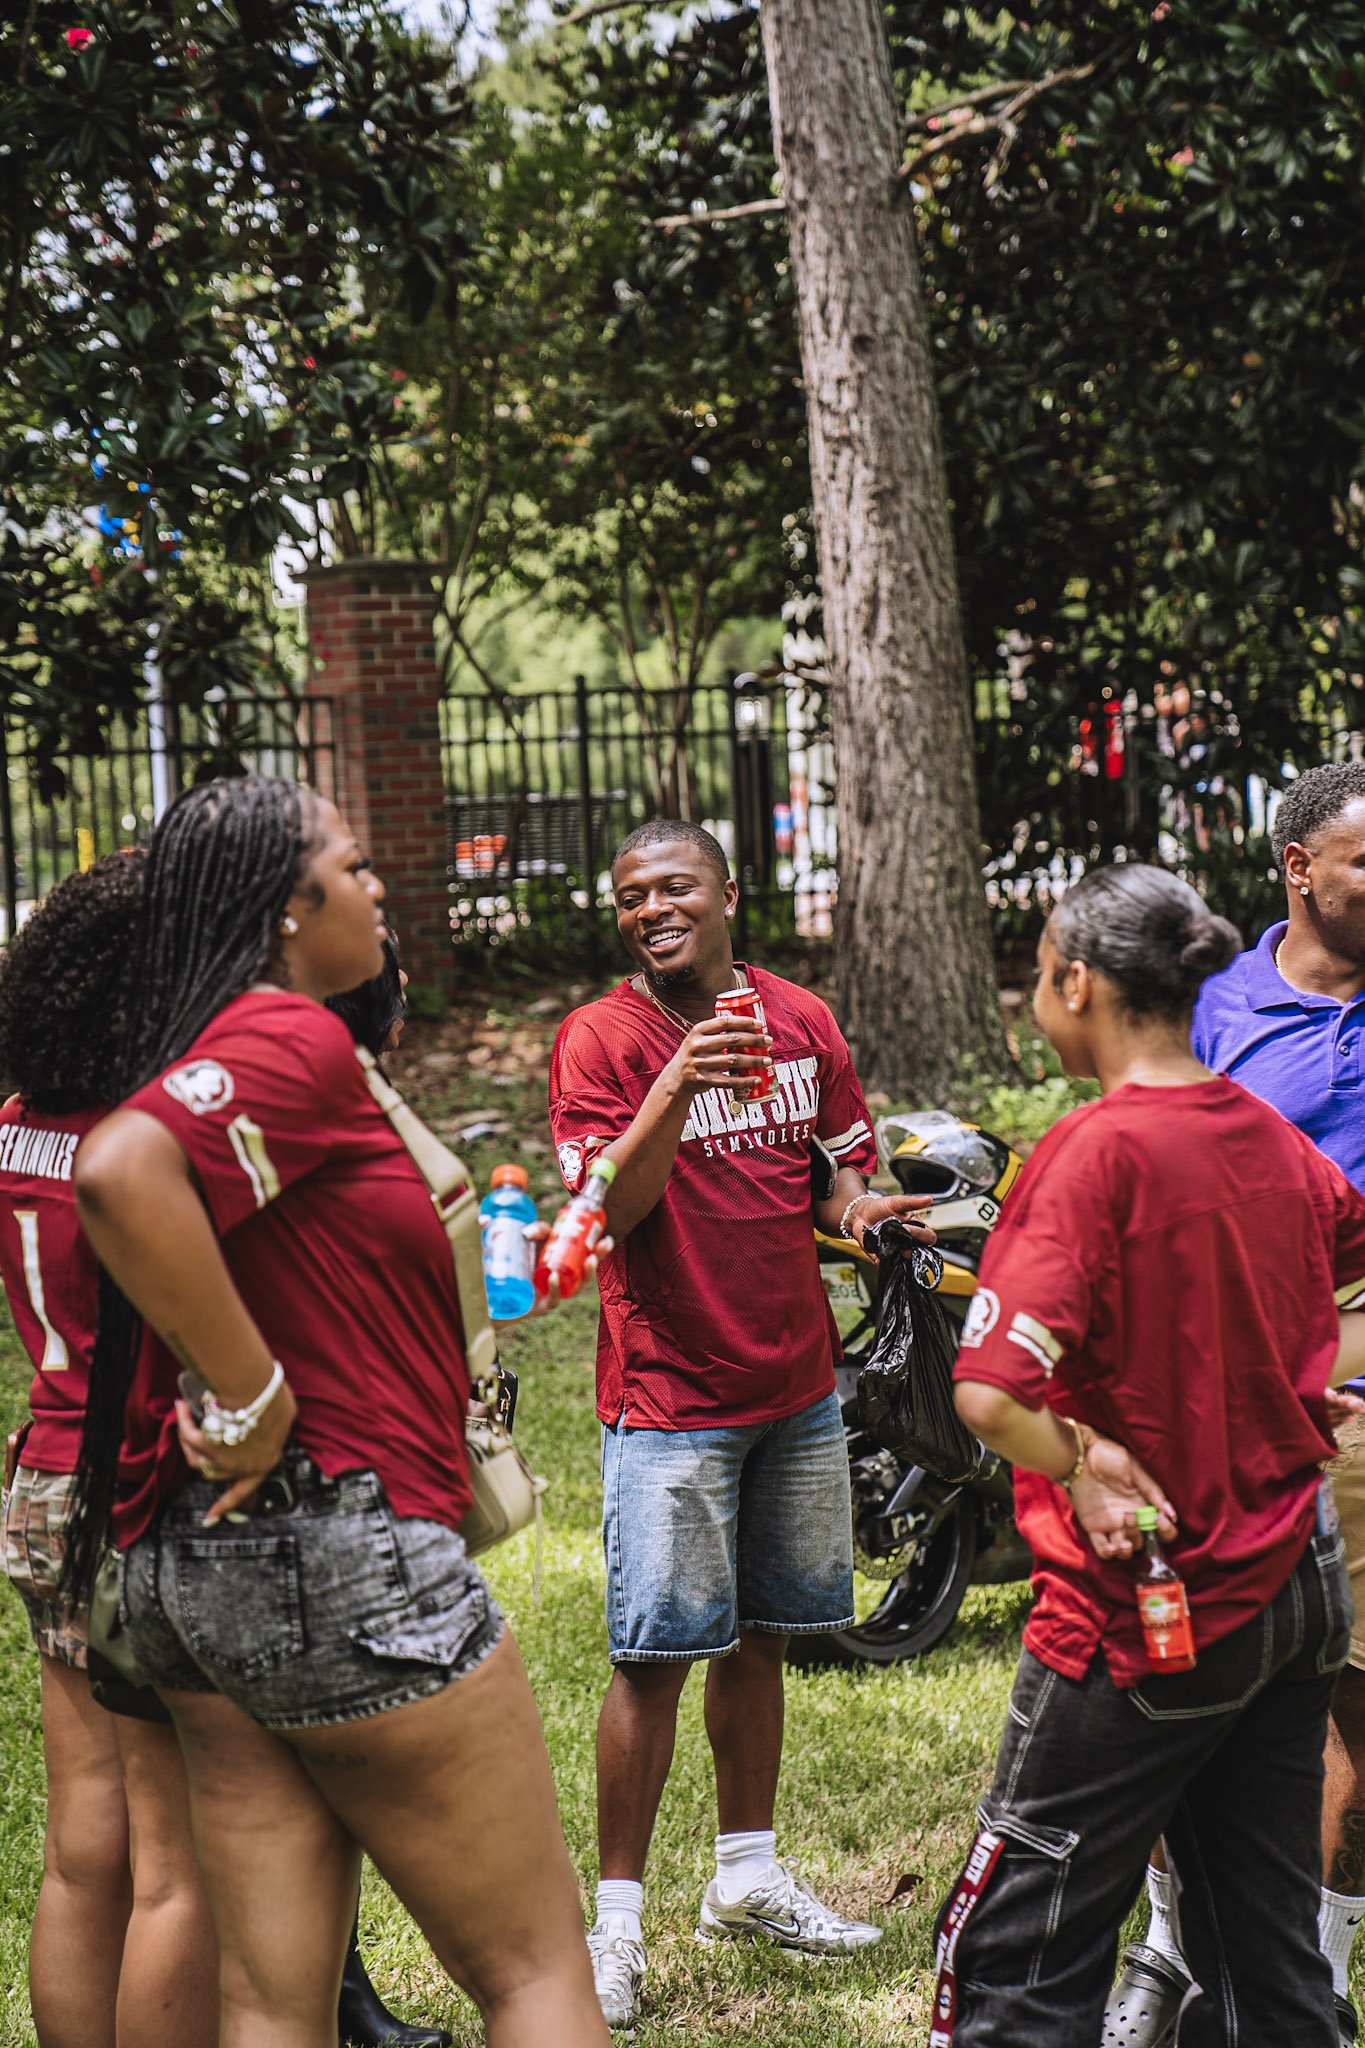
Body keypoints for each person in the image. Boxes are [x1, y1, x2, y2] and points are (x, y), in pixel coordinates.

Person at [63, 776, 608, 2048]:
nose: (377, 890)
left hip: (200, 1576)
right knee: (536, 1976)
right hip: (339, 1550)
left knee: (267, 1998)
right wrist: (255, 1394)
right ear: (288, 908)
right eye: (354, 868)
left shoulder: (205, 1042)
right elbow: (121, 1170)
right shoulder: (286, 1032)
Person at [937, 862, 1365, 2048]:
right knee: (1266, 1953)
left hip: (1149, 1612)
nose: (1035, 995)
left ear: (1079, 981)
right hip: (1296, 1587)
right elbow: (1347, 1260)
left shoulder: (1093, 1153)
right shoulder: (1268, 1135)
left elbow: (986, 1390)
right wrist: (1304, 1363)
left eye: (1036, 972)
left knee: (1009, 1959)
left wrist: (1075, 1454)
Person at [547, 818, 934, 2031]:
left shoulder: (803, 1020)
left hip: (795, 1388)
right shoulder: (600, 1040)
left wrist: (873, 1214)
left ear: (725, 890)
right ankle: (615, 1927)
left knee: (763, 1633)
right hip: (668, 1398)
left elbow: (840, 1172)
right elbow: (617, 1199)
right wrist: (677, 1078)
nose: (650, 907)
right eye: (629, 896)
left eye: (672, 887)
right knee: (653, 1655)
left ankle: (747, 1877)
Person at [1103, 762, 1365, 2048]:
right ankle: (1171, 1952)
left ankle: (1309, 1971)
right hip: (1225, 1366)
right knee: (1193, 1674)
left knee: (1350, 1689)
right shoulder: (1212, 1004)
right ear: (1299, 869)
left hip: (1358, 1366)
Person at [0, 853, 218, 2048]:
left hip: (43, 1475)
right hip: (138, 1484)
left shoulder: (17, 1126)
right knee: (177, 1862)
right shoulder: (142, 1138)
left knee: (86, 1844)